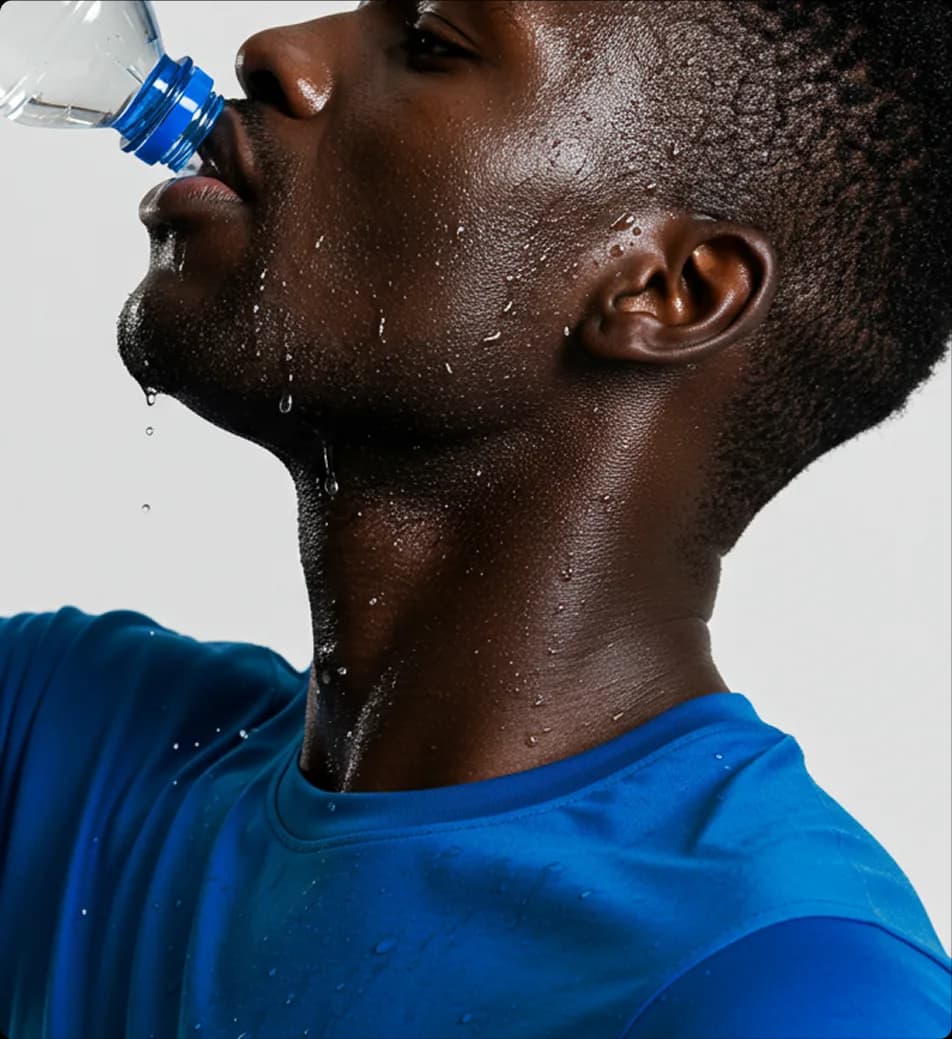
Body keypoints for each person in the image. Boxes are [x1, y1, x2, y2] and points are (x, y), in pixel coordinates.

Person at [1, 0, 950, 1035]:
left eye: (431, 43)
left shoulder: (784, 988)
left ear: (670, 290)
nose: (275, 54)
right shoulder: (62, 742)